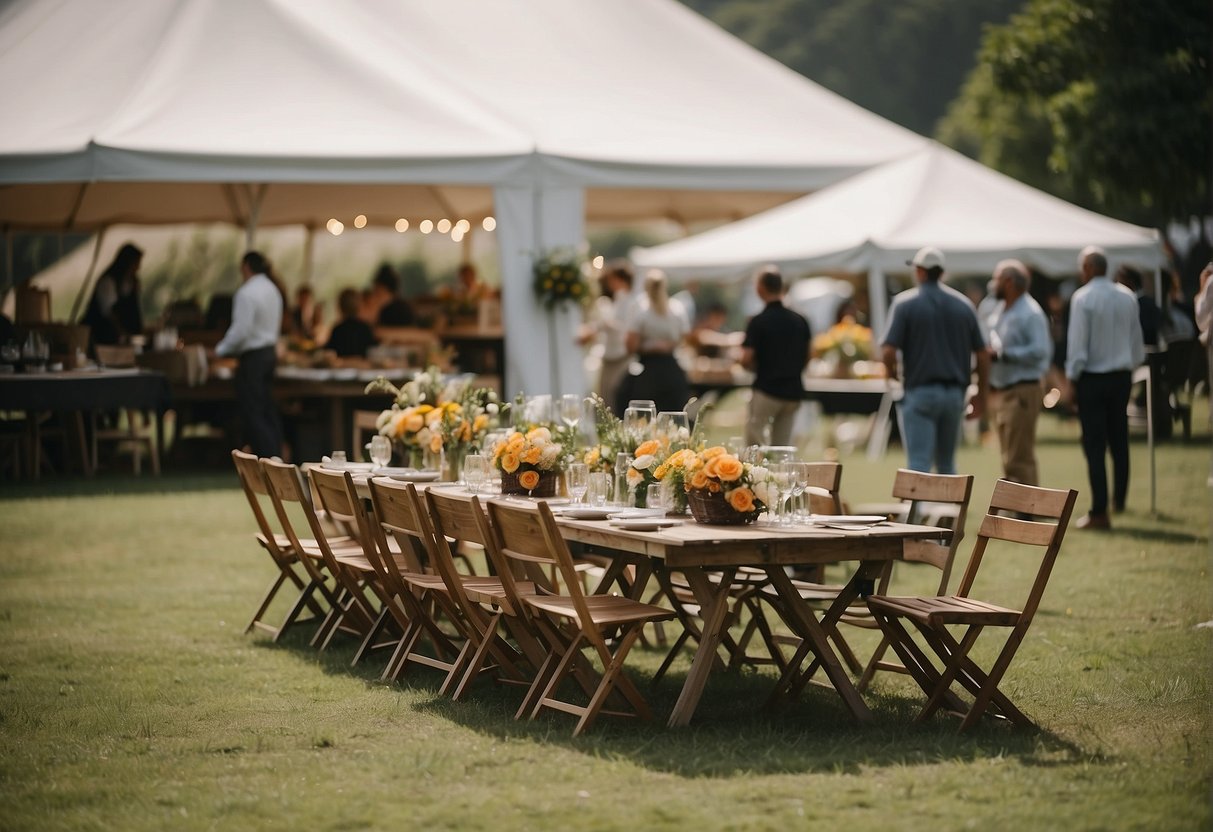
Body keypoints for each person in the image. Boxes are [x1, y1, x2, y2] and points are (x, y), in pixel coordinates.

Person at [881, 246, 989, 474]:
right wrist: (981, 392)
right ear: (941, 272)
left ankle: (917, 510)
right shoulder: (964, 305)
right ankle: (948, 510)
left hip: (919, 391)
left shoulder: (905, 303)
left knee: (918, 463)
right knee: (947, 463)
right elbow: (982, 352)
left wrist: (891, 377)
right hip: (954, 394)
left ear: (920, 271)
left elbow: (888, 349)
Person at [1065, 245, 1146, 529]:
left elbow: (1077, 345)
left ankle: (1099, 510)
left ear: (1087, 268)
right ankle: (1118, 500)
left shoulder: (1082, 297)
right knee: (1119, 438)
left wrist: (1072, 379)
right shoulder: (1127, 296)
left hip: (1093, 378)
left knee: (1095, 444)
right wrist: (1131, 367)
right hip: (1122, 375)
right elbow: (1137, 341)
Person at [986, 259, 1052, 485]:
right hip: (1005, 390)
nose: (992, 284)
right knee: (1009, 456)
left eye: (996, 279)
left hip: (1023, 389)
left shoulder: (1030, 312)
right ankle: (1017, 509)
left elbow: (1041, 350)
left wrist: (1004, 354)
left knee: (1019, 457)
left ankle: (1026, 513)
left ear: (1009, 282)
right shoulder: (1004, 308)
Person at [215, 251, 284, 459]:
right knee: (267, 407)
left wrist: (220, 350)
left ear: (246, 267)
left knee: (253, 410)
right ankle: (276, 453)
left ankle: (268, 456)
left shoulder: (246, 293)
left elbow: (240, 331)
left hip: (253, 357)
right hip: (269, 353)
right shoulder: (273, 289)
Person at [740, 265, 811, 446]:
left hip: (766, 389)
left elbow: (746, 358)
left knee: (754, 445)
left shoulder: (758, 321)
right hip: (793, 390)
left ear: (760, 288)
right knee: (782, 446)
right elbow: (809, 354)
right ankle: (781, 475)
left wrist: (747, 365)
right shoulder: (800, 319)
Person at [618, 269, 690, 415]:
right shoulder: (677, 308)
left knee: (640, 412)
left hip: (648, 370)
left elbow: (631, 345)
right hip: (671, 369)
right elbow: (685, 338)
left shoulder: (640, 309)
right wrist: (667, 345)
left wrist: (649, 346)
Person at [580, 260, 637, 414]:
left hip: (620, 355)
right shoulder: (619, 299)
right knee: (604, 396)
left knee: (613, 394)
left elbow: (627, 328)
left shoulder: (630, 302)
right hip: (610, 354)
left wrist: (604, 324)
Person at [82, 242, 144, 348]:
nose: (138, 268)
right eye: (136, 263)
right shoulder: (108, 282)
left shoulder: (130, 283)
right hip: (103, 335)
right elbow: (109, 313)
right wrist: (123, 333)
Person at [325, 288, 377, 358]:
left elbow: (329, 350)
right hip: (362, 367)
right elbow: (373, 349)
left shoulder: (338, 330)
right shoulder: (365, 328)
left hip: (342, 367)